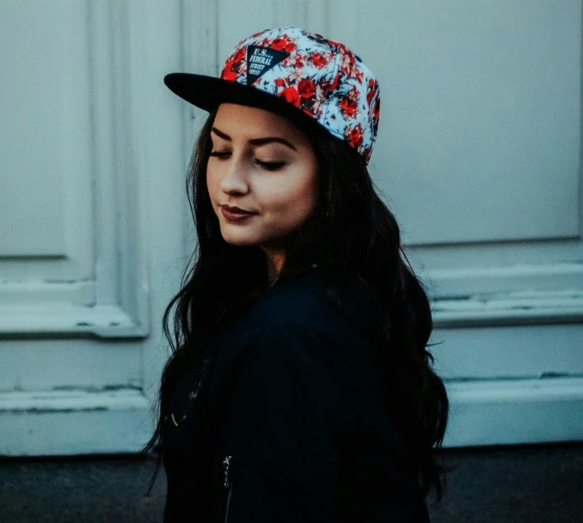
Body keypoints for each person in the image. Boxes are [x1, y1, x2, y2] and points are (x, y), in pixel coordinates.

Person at [141, 26, 450, 522]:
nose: (231, 182)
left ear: (333, 178)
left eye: (267, 160)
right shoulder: (337, 289)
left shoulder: (289, 336)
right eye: (220, 151)